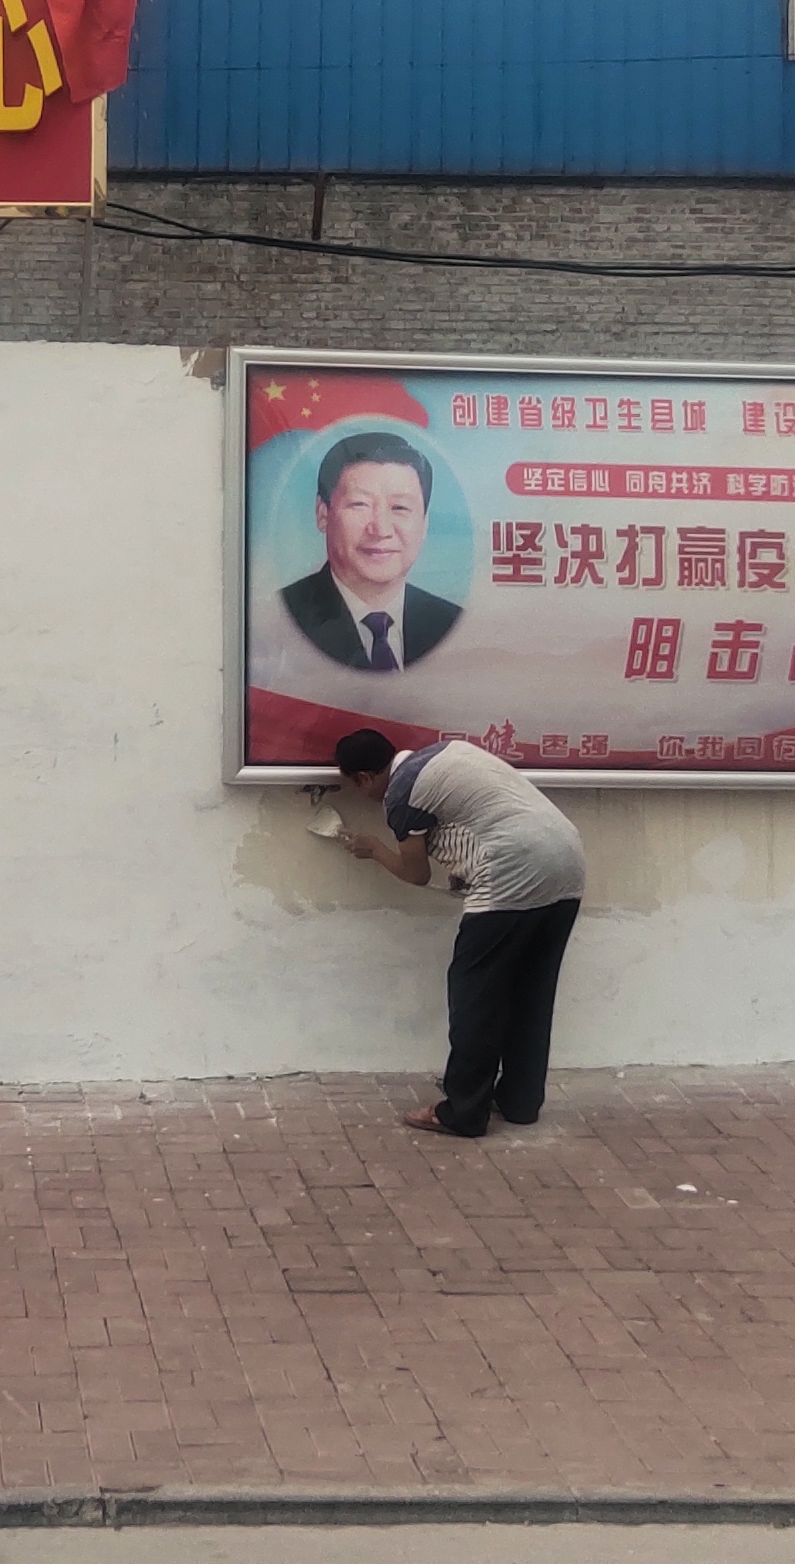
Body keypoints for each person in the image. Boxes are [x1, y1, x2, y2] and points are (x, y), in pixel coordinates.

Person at [331, 726, 586, 1138]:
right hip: (568, 863)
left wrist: (374, 849)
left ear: (364, 777)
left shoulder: (401, 794)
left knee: (475, 997)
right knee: (531, 993)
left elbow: (415, 873)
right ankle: (520, 1102)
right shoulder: (450, 753)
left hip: (511, 871)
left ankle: (463, 1111)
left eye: (354, 787)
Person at [280, 431, 464, 670]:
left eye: (400, 508)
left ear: (424, 523)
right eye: (360, 504)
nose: (381, 530)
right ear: (323, 514)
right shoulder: (281, 618)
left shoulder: (451, 623)